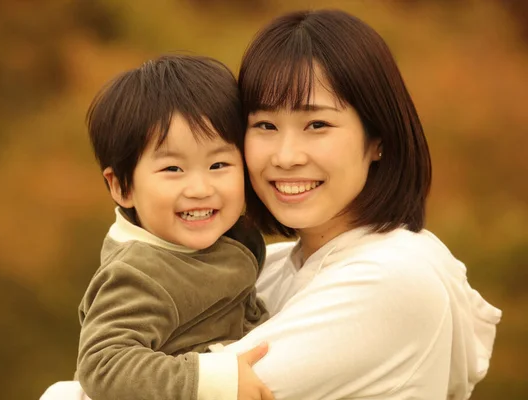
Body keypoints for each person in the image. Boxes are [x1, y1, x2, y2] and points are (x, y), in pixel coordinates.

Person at [41, 9, 501, 400]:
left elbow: (219, 386)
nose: (286, 156)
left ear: (377, 139)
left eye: (317, 124)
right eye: (264, 126)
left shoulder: (391, 277)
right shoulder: (267, 265)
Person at [68, 54, 270, 400]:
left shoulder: (224, 241)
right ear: (122, 187)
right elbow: (102, 365)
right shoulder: (140, 272)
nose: (199, 188)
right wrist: (213, 379)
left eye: (219, 164)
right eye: (173, 169)